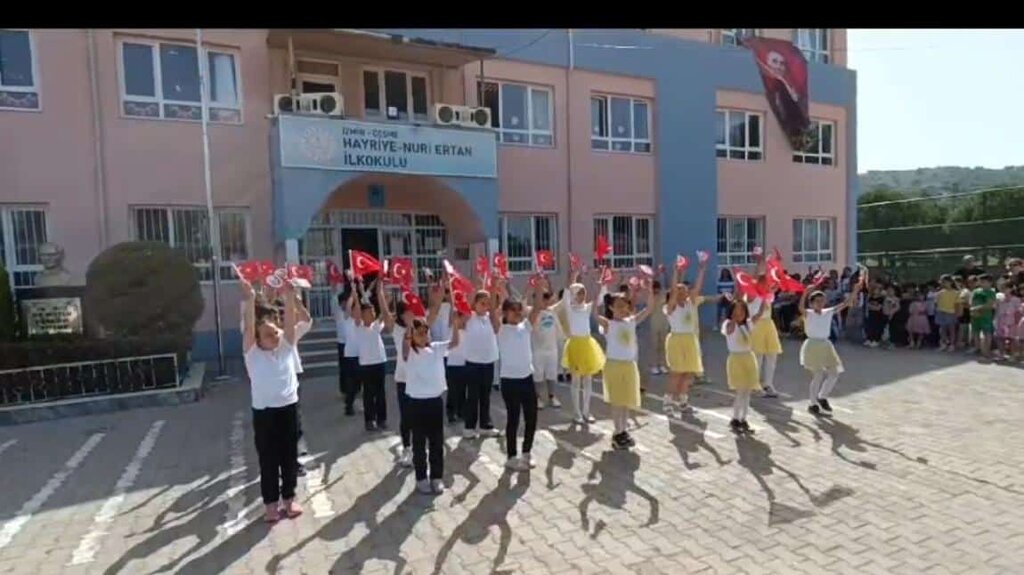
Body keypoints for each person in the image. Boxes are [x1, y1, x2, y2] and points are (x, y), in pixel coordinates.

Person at [239, 272, 303, 523]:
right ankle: (270, 505)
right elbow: (247, 328)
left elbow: (289, 326)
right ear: (257, 338)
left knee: (289, 456)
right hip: (265, 413)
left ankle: (289, 498)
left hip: (288, 409)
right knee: (268, 459)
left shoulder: (286, 348)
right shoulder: (252, 354)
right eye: (268, 334)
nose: (274, 336)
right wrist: (251, 298)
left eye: (275, 332)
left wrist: (288, 296)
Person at [379, 281, 441, 468]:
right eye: (407, 311)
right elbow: (383, 311)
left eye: (412, 310)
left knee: (422, 420)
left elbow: (435, 309)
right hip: (404, 379)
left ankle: (422, 450)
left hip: (422, 382)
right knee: (406, 418)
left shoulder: (422, 327)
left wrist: (440, 287)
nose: (411, 314)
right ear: (401, 314)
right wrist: (379, 290)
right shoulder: (397, 330)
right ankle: (407, 449)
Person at [403, 311, 459, 495]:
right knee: (419, 443)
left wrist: (457, 324)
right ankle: (421, 478)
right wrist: (410, 330)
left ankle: (436, 477)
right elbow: (405, 345)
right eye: (419, 333)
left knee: (436, 442)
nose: (424, 336)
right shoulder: (410, 351)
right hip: (417, 404)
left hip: (435, 402)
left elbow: (454, 343)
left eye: (425, 332)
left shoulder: (435, 348)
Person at [494, 279, 542, 470]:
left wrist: (539, 286)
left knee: (531, 417)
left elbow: (538, 307)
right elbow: (491, 312)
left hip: (526, 379)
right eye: (513, 310)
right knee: (513, 418)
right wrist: (493, 290)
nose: (517, 313)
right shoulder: (501, 330)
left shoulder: (525, 327)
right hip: (509, 381)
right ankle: (512, 456)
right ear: (505, 313)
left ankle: (527, 452)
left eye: (519, 310)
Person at [598, 285, 654, 449]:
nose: (623, 309)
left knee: (626, 400)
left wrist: (649, 288)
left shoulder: (631, 321)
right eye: (618, 306)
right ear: (611, 308)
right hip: (614, 366)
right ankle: (618, 432)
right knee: (617, 401)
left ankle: (622, 430)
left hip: (629, 366)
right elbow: (594, 314)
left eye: (625, 305)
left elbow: (649, 308)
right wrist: (600, 289)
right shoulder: (608, 324)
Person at [798, 277, 862, 416]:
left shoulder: (828, 312)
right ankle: (813, 403)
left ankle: (822, 397)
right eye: (817, 301)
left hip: (826, 345)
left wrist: (855, 290)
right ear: (812, 303)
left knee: (834, 373)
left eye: (822, 301)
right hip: (813, 345)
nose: (820, 303)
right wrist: (805, 293)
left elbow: (845, 303)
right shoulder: (808, 313)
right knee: (818, 375)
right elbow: (801, 308)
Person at [559, 272, 607, 424]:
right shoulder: (569, 308)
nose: (581, 297)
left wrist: (599, 286)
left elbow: (598, 299)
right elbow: (566, 295)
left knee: (588, 380)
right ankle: (577, 412)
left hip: (587, 345)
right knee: (576, 381)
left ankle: (586, 411)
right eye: (578, 294)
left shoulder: (586, 308)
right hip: (575, 345)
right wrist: (572, 277)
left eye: (583, 293)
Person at [663, 256, 708, 415]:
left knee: (688, 372)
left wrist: (702, 269)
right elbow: (674, 289)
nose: (684, 293)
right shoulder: (670, 307)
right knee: (676, 373)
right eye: (680, 291)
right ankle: (668, 402)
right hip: (676, 340)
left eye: (685, 291)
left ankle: (683, 401)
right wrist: (676, 271)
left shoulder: (690, 303)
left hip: (690, 340)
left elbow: (698, 287)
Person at [461, 288, 502, 440]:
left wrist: (492, 310)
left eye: (487, 303)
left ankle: (485, 425)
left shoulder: (490, 318)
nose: (485, 306)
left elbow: (498, 328)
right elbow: (464, 310)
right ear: (475, 304)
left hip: (488, 361)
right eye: (482, 303)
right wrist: (476, 286)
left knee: (486, 395)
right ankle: (469, 427)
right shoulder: (469, 317)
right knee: (473, 396)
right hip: (473, 363)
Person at [351, 279, 389, 432]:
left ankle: (382, 419)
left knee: (380, 393)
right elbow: (358, 310)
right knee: (368, 394)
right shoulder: (359, 327)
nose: (372, 314)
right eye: (369, 312)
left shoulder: (376, 326)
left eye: (373, 312)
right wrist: (355, 290)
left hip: (380, 362)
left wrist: (381, 290)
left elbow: (384, 313)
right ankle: (369, 420)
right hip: (366, 364)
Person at [722, 298, 761, 434]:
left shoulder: (748, 324)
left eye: (742, 310)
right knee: (740, 391)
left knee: (747, 391)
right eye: (736, 310)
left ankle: (743, 418)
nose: (739, 313)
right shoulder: (728, 324)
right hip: (736, 359)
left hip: (748, 358)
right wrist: (734, 318)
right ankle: (735, 418)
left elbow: (759, 314)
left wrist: (764, 297)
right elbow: (729, 330)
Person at [747, 264, 782, 398]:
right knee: (758, 356)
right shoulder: (751, 295)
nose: (768, 285)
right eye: (765, 283)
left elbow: (777, 283)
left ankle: (768, 384)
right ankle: (754, 385)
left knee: (772, 355)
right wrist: (758, 263)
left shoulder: (768, 295)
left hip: (769, 325)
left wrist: (774, 267)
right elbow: (752, 282)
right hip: (756, 325)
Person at [531, 289, 563, 409]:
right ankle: (538, 398)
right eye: (541, 298)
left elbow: (558, 330)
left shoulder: (552, 313)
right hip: (538, 350)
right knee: (538, 376)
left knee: (551, 375)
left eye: (546, 299)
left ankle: (552, 396)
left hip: (552, 350)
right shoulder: (532, 312)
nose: (544, 301)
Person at [337, 287, 362, 415]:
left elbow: (359, 305)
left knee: (358, 381)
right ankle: (349, 405)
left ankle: (352, 402)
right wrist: (353, 291)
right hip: (350, 355)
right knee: (352, 381)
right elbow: (349, 307)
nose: (357, 312)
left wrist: (358, 293)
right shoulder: (347, 319)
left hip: (361, 355)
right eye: (355, 310)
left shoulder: (360, 322)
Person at [444, 308, 468, 424]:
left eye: (463, 317)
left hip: (464, 363)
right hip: (452, 364)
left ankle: (461, 411)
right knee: (452, 390)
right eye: (460, 317)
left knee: (462, 390)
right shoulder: (451, 330)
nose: (463, 319)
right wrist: (455, 323)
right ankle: (450, 412)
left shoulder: (467, 331)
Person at [971, 274, 998, 359]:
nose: (982, 284)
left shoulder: (991, 292)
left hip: (986, 316)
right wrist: (973, 310)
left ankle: (987, 350)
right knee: (975, 332)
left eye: (984, 282)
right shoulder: (976, 291)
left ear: (990, 283)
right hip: (975, 316)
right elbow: (972, 301)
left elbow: (989, 305)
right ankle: (977, 348)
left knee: (987, 333)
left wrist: (977, 308)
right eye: (981, 282)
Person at [647, 280, 670, 375]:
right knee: (655, 345)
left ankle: (662, 365)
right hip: (654, 323)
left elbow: (669, 287)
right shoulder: (650, 297)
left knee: (663, 345)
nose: (656, 290)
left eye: (658, 289)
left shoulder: (664, 295)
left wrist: (661, 274)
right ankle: (654, 365)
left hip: (664, 322)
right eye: (654, 289)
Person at [993, 280, 1020, 362]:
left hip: (1011, 321)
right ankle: (1001, 354)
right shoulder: (999, 298)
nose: (1004, 290)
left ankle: (1012, 355)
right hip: (1001, 320)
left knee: (1012, 339)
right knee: (1000, 338)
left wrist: (1017, 322)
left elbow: (1018, 312)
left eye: (1006, 288)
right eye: (1002, 288)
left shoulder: (1016, 299)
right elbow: (995, 308)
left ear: (1011, 289)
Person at [935, 275, 960, 351]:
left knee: (951, 329)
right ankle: (944, 343)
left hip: (951, 312)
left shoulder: (956, 292)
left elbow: (957, 304)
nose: (944, 284)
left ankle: (952, 344)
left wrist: (957, 313)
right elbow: (936, 303)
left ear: (950, 282)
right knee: (942, 329)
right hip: (941, 311)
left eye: (945, 282)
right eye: (942, 282)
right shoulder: (939, 293)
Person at [863, 283, 886, 348]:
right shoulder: (870, 297)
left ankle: (876, 340)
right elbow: (868, 306)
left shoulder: (881, 298)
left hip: (878, 316)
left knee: (876, 328)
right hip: (871, 315)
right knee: (870, 327)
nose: (876, 291)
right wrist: (873, 307)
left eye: (878, 289)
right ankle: (869, 339)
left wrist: (872, 307)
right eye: (875, 289)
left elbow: (878, 308)